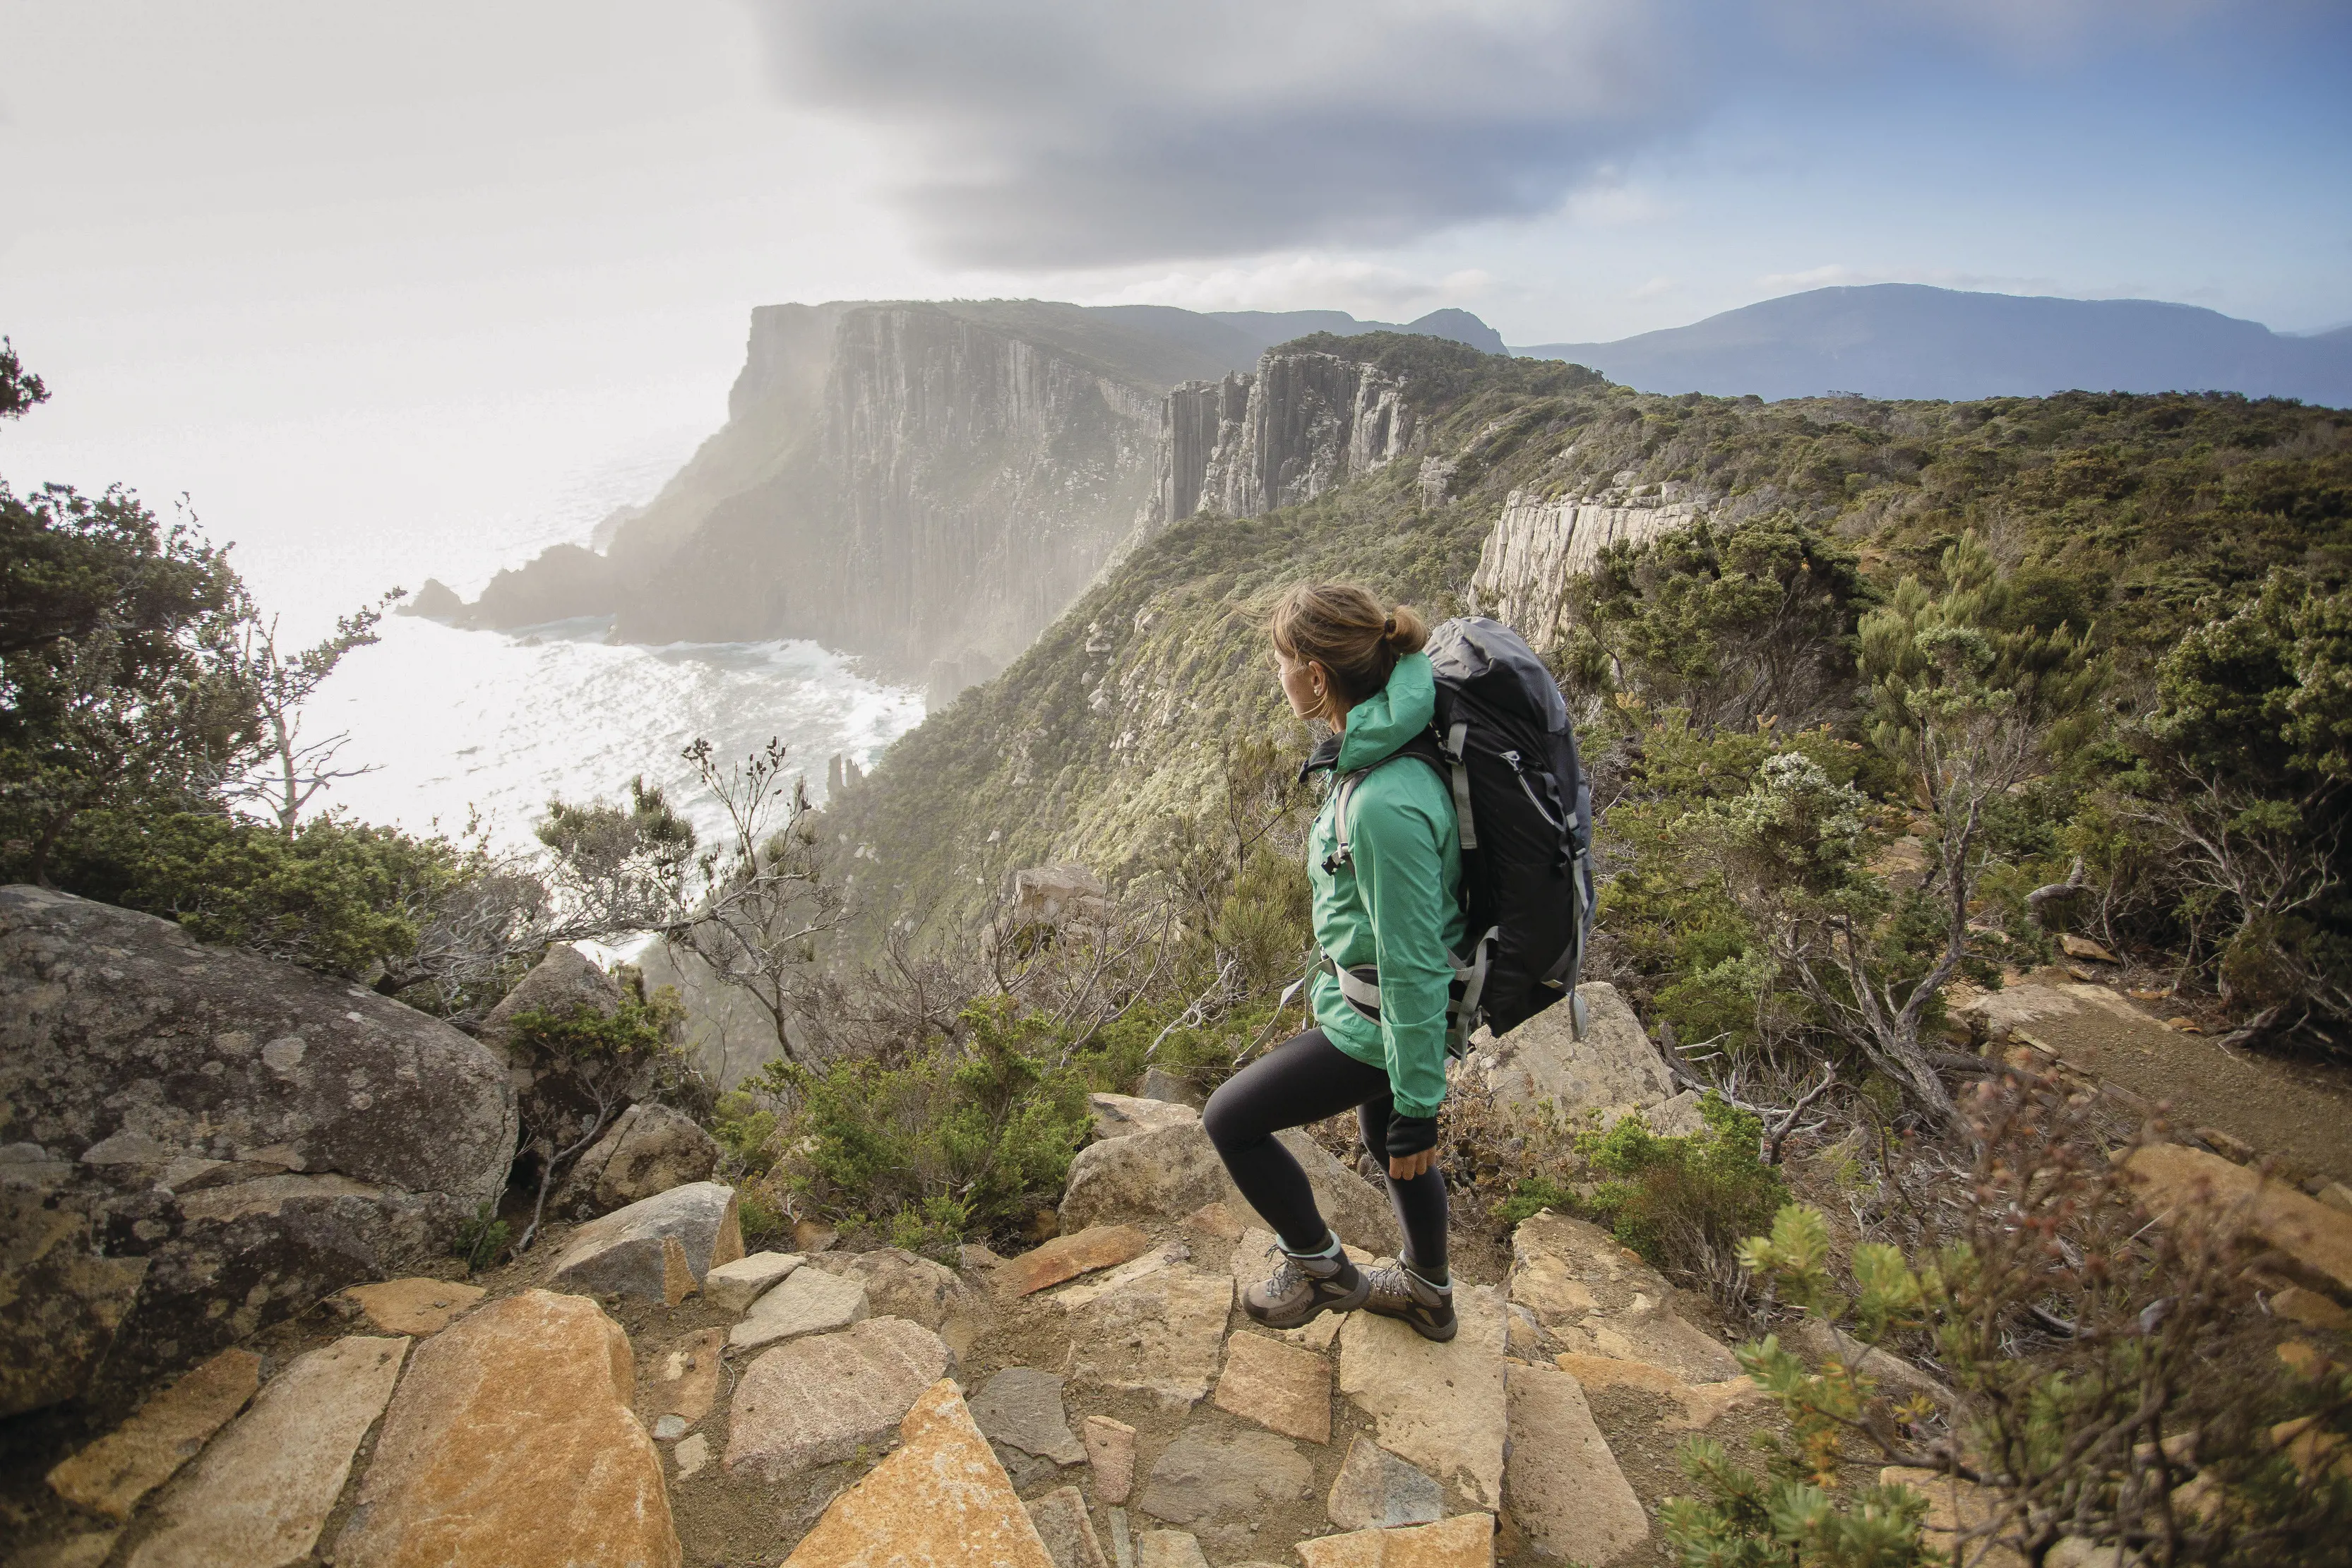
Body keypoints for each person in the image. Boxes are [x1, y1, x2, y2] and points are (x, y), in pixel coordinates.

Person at [1202, 582, 1464, 1341]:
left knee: (1232, 1118)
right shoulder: (1382, 735)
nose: (1274, 676)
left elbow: (1414, 964)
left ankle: (1319, 1268)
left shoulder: (1385, 800)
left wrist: (1420, 1102)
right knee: (1387, 1140)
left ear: (1316, 676)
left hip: (1388, 1018)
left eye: (1280, 662)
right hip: (1374, 1007)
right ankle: (1428, 1291)